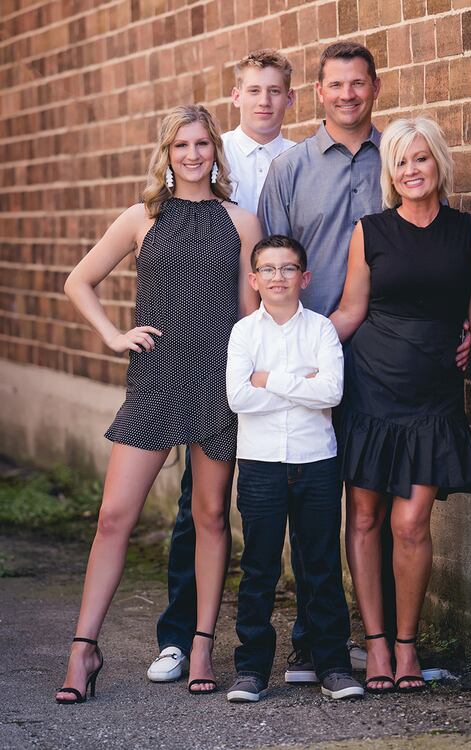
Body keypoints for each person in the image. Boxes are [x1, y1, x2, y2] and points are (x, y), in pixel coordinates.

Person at [258, 42, 471, 685]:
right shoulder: (291, 169)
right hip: (317, 355)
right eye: (336, 85)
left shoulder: (400, 157)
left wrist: (445, 321)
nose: (348, 94)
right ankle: (318, 640)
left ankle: (379, 642)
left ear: (375, 88)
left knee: (381, 507)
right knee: (322, 502)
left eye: (359, 83)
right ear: (319, 93)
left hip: (393, 361)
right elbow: (269, 265)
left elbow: (428, 254)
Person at [55, 104, 261, 704]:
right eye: (181, 146)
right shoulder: (142, 218)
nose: (193, 155)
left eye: (202, 144)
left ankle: (200, 646)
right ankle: (83, 648)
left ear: (215, 154)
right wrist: (115, 336)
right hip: (156, 380)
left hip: (216, 383)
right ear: (166, 156)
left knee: (211, 517)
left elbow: (250, 317)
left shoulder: (242, 222)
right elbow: (78, 281)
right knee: (114, 517)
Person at [330, 116, 471, 694]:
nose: (411, 170)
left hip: (433, 394)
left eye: (421, 159)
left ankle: (408, 646)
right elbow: (351, 312)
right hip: (371, 388)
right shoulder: (371, 231)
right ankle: (376, 646)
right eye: (401, 162)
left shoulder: (469, 231)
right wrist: (287, 344)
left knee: (411, 523)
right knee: (364, 517)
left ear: (438, 164)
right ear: (391, 172)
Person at [148, 50, 298, 684]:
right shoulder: (215, 153)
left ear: (291, 98)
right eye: (252, 91)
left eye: (274, 91)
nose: (263, 101)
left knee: (268, 499)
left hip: (281, 347)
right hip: (203, 360)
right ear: (236, 97)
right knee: (198, 506)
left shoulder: (300, 160)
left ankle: (276, 644)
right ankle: (180, 636)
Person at [225, 235, 364, 703]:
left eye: (288, 269)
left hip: (316, 463)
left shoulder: (321, 330)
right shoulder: (245, 333)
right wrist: (300, 383)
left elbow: (331, 393)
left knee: (321, 564)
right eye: (268, 269)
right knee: (259, 566)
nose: (278, 277)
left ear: (304, 278)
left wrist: (270, 380)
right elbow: (238, 398)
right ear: (254, 279)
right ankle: (252, 669)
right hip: (262, 464)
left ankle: (332, 665)